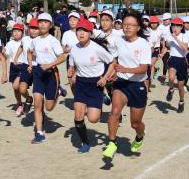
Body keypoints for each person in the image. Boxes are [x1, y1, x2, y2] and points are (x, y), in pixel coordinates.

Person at [103, 13, 151, 159]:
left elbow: (143, 68)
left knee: (135, 123)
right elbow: (114, 61)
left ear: (138, 28)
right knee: (114, 112)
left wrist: (126, 69)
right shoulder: (119, 41)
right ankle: (112, 143)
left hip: (138, 85)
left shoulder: (143, 43)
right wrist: (107, 76)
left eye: (131, 25)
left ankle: (140, 136)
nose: (127, 27)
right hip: (121, 83)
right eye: (125, 24)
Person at [68, 19, 113, 153]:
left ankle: (103, 97)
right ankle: (85, 143)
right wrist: (73, 71)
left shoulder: (97, 48)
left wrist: (105, 78)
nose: (81, 33)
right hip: (81, 84)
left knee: (93, 119)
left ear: (91, 34)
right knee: (78, 116)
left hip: (95, 85)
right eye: (79, 31)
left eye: (85, 31)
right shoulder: (74, 48)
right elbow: (72, 65)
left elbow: (112, 62)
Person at [27, 13, 66, 144]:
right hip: (38, 73)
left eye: (45, 22)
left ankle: (58, 92)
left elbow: (62, 57)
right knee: (37, 104)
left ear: (50, 25)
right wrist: (30, 64)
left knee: (48, 107)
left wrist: (49, 65)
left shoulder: (53, 41)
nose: (42, 24)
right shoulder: (35, 40)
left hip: (51, 73)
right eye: (40, 22)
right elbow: (29, 51)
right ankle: (39, 133)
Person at [13, 18, 40, 115]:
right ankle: (28, 99)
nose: (33, 30)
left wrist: (38, 54)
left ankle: (40, 113)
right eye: (31, 28)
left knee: (38, 94)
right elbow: (21, 47)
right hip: (25, 66)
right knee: (22, 89)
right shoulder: (25, 39)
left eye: (36, 28)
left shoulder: (41, 40)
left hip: (38, 67)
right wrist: (16, 56)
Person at [3, 24, 27, 116]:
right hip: (13, 66)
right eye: (14, 31)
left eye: (18, 31)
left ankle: (28, 98)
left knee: (17, 86)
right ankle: (20, 105)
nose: (16, 33)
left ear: (22, 32)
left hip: (23, 66)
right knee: (15, 88)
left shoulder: (25, 41)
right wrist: (4, 52)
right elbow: (6, 56)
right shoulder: (10, 43)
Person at [165, 18, 189, 113]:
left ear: (181, 27)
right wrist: (162, 53)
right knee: (171, 78)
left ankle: (181, 102)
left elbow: (185, 48)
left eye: (178, 26)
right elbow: (166, 46)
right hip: (173, 59)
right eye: (173, 26)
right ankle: (171, 89)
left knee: (180, 86)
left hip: (182, 61)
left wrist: (175, 38)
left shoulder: (184, 36)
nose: (175, 28)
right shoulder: (169, 37)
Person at [61, 12, 80, 93]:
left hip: (81, 58)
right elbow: (63, 48)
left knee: (79, 79)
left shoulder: (81, 32)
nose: (72, 21)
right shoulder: (66, 34)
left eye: (74, 20)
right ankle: (76, 97)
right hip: (70, 58)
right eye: (70, 20)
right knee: (70, 78)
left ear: (78, 21)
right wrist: (69, 50)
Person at [148, 16, 163, 86]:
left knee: (151, 64)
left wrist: (162, 51)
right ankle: (154, 71)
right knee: (150, 65)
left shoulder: (160, 31)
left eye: (155, 23)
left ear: (158, 23)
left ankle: (150, 80)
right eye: (152, 23)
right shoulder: (147, 30)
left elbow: (163, 41)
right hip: (147, 50)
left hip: (156, 50)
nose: (153, 24)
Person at [159, 12, 172, 83]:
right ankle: (164, 74)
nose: (165, 21)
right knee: (165, 61)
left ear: (170, 20)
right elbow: (160, 37)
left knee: (171, 61)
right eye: (164, 20)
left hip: (172, 46)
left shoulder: (172, 26)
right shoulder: (160, 26)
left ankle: (171, 75)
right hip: (163, 45)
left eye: (167, 19)